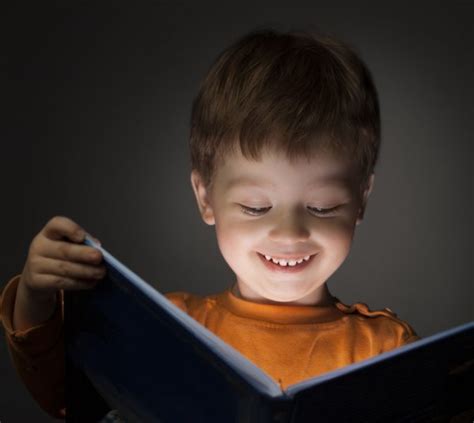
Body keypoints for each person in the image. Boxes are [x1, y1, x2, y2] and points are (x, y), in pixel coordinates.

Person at [1, 27, 421, 420]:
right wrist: (36, 298)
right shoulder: (169, 329)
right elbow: (69, 400)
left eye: (324, 207)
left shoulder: (386, 350)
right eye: (256, 207)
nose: (290, 233)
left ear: (360, 199)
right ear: (206, 198)